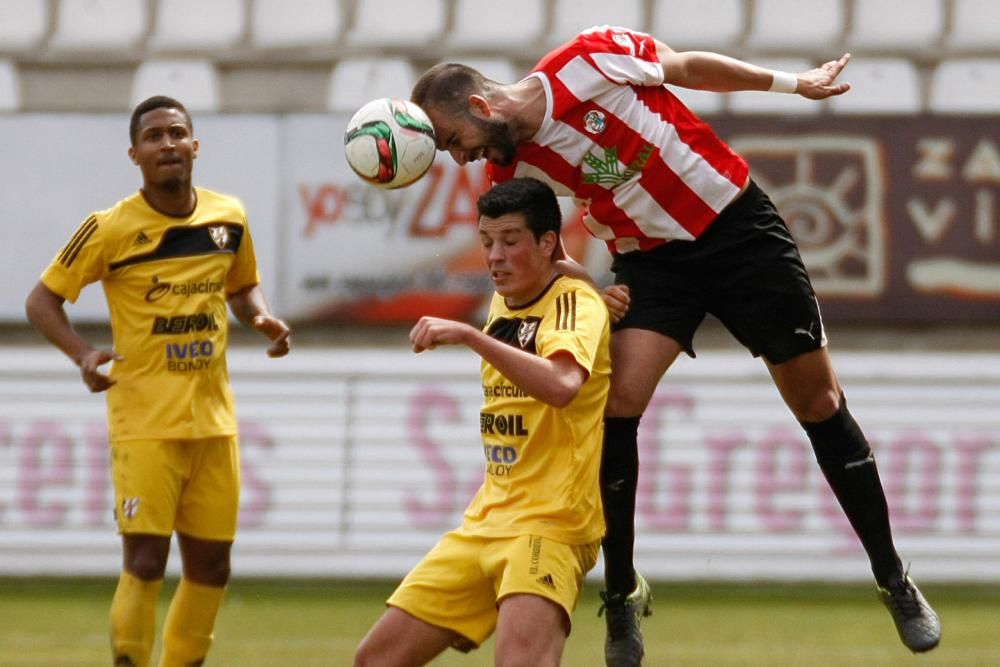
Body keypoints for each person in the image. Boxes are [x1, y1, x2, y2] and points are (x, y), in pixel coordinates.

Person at [411, 25, 941, 666]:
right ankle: (623, 593)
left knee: (819, 401)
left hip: (739, 232)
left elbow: (687, 66)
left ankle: (892, 577)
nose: (459, 157)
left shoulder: (586, 60)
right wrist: (583, 287)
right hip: (653, 267)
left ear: (481, 107)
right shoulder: (509, 169)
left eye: (452, 141)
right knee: (616, 407)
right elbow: (542, 250)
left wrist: (794, 83)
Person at [24, 95, 291, 667]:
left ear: (196, 145)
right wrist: (82, 355)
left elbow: (243, 287)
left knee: (212, 567)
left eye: (176, 133)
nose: (167, 144)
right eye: (154, 137)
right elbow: (41, 301)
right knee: (145, 561)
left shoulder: (228, 218)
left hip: (215, 425)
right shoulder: (108, 228)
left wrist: (261, 317)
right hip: (143, 422)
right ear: (135, 154)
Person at [354, 177, 611, 667]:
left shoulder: (576, 304)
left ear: (547, 242)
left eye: (510, 241)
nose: (494, 256)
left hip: (550, 525)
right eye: (487, 241)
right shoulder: (508, 296)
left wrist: (473, 337)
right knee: (375, 660)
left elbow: (561, 384)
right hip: (485, 521)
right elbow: (560, 273)